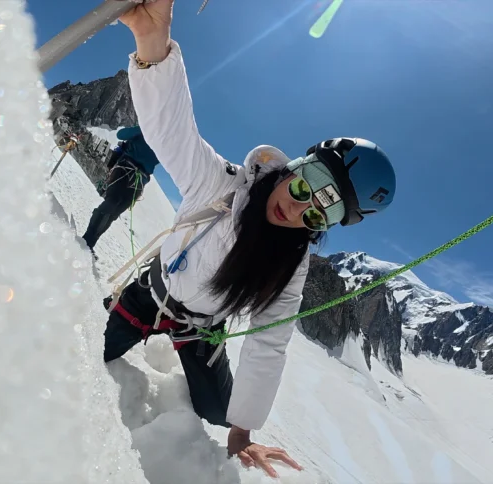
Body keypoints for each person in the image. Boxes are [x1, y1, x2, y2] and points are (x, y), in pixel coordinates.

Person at [107, 0, 397, 478]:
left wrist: (241, 432)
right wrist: (152, 45)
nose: (297, 207)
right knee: (90, 352)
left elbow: (270, 343)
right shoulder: (219, 184)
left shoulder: (290, 267)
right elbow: (171, 131)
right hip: (148, 296)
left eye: (318, 214)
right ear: (294, 169)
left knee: (220, 413)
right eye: (304, 187)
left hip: (199, 330)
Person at [81, 125, 161, 253]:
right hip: (126, 169)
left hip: (138, 178)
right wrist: (142, 128)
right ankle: (86, 241)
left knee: (114, 213)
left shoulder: (164, 142)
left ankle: (90, 243)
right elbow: (121, 135)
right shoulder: (146, 128)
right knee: (111, 203)